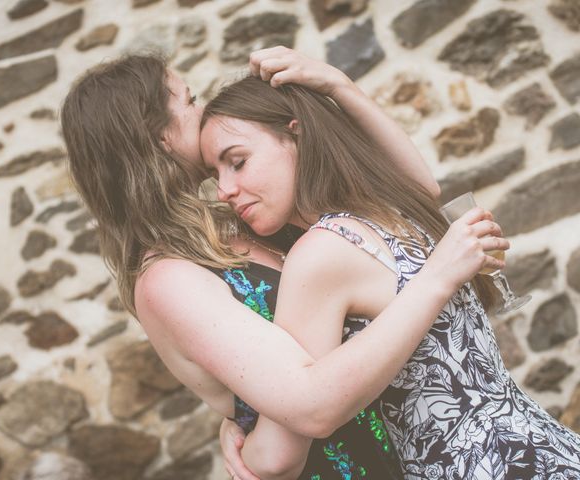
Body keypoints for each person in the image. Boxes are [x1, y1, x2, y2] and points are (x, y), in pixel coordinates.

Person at [60, 49, 509, 480]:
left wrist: (337, 84)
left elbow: (412, 193)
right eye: (191, 101)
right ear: (159, 137)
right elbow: (303, 413)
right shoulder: (168, 279)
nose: (204, 109)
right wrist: (252, 429)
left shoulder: (243, 224)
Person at [201, 50, 580, 479]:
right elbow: (424, 185)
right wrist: (338, 85)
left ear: (296, 137)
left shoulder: (320, 252)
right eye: (215, 174)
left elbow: (279, 455)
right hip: (546, 450)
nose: (224, 190)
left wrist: (239, 443)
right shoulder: (390, 211)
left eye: (238, 162)